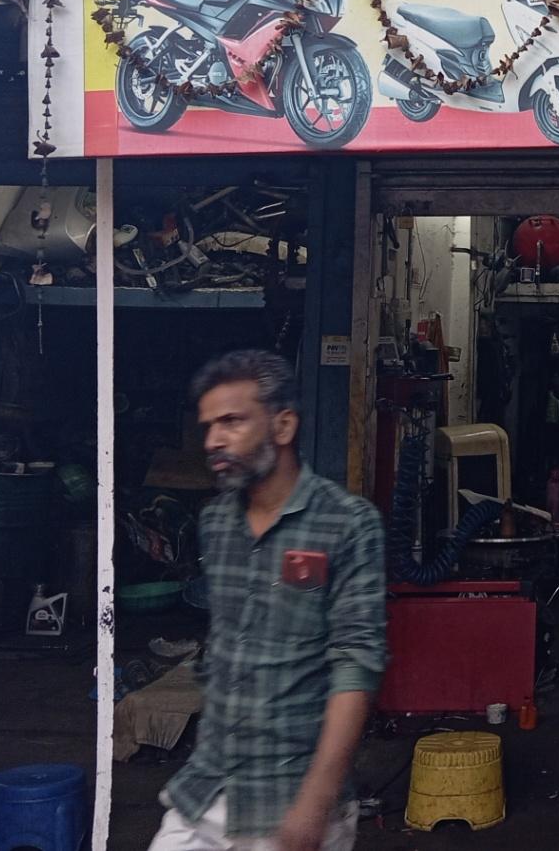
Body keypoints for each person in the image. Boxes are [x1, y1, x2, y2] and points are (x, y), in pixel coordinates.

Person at [150, 349, 386, 851]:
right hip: (207, 785)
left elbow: (356, 663)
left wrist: (317, 797)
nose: (213, 440)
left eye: (232, 421)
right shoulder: (216, 522)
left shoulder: (347, 523)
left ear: (283, 426)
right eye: (208, 425)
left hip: (292, 798)